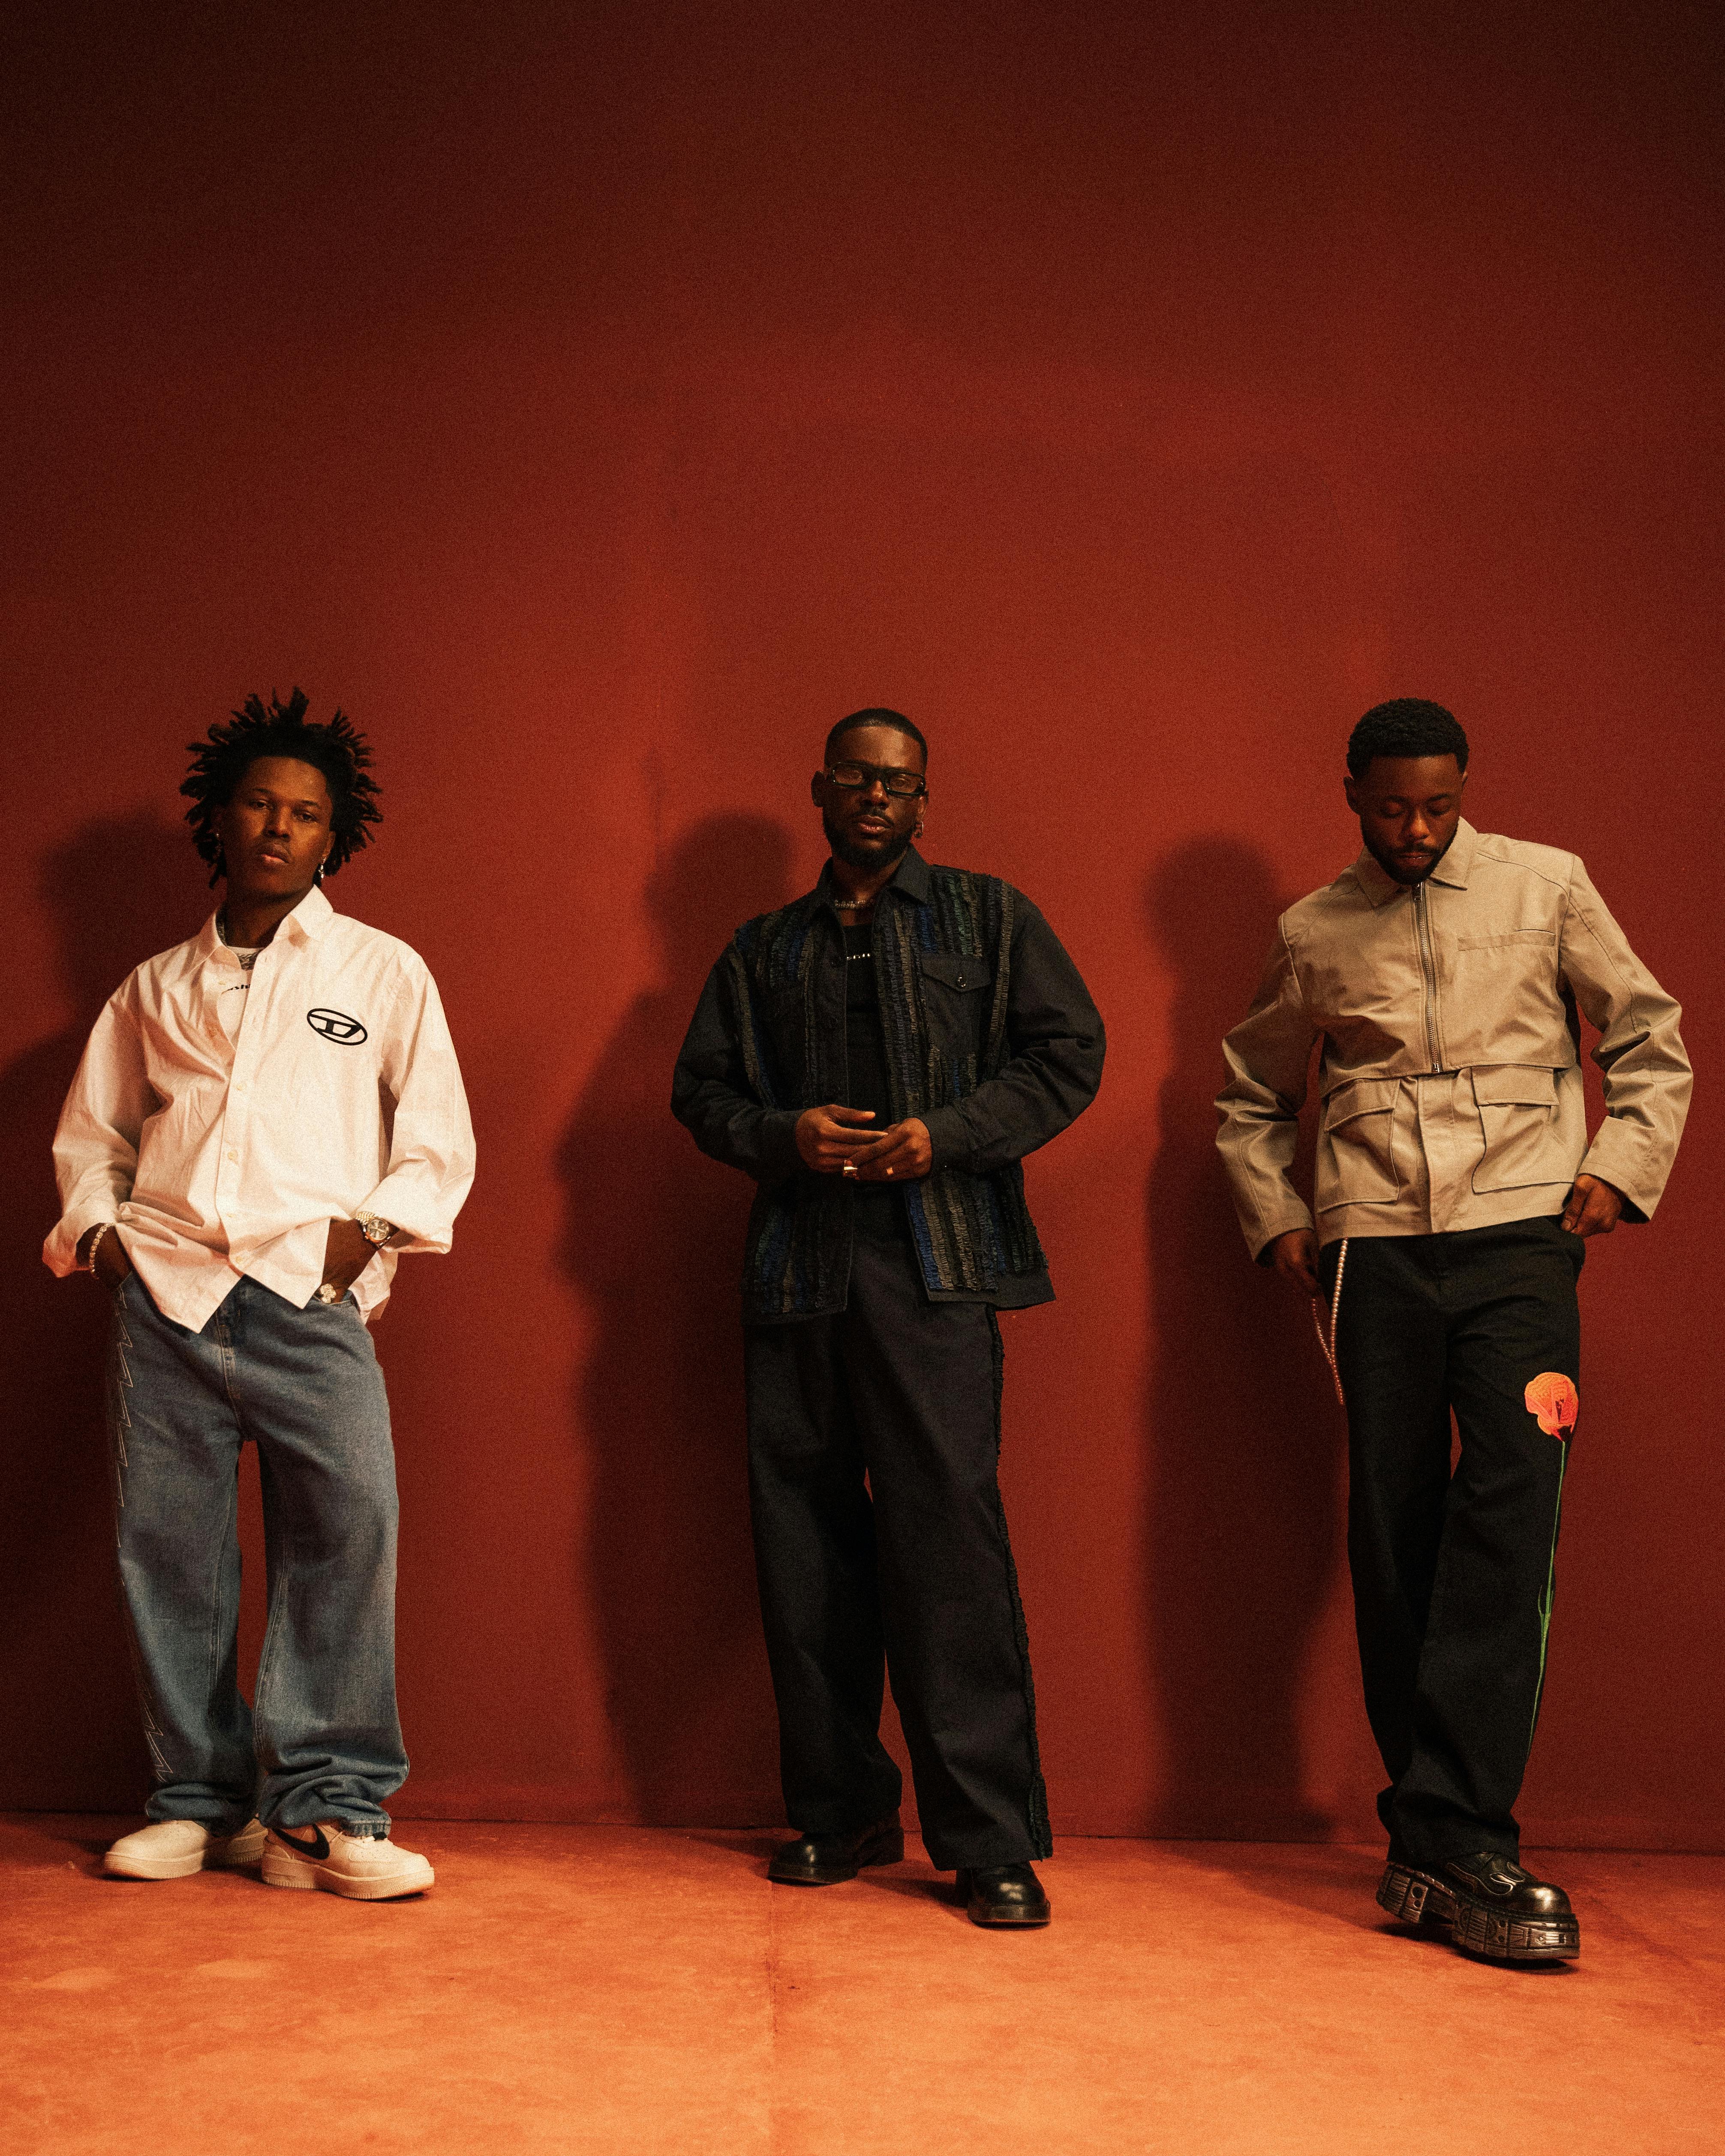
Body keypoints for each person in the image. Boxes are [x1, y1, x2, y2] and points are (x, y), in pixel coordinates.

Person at [1215, 698, 1689, 1963]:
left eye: (1436, 804)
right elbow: (1251, 1094)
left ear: (1465, 786)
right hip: (1373, 1256)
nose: (1415, 828)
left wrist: (1621, 1165)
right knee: (1392, 1521)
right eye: (1390, 807)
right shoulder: (1315, 930)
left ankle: (1462, 1821)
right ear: (1351, 794)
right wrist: (1283, 1222)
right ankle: (1434, 1842)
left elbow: (1652, 1035)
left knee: (1513, 1502)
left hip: (1524, 1242)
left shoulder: (1549, 889)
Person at [672, 709, 1104, 1927]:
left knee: (948, 1546)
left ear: (926, 801)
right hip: (798, 1268)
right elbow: (697, 1090)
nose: (878, 797)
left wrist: (949, 1138)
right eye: (858, 778)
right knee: (803, 1551)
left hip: (938, 1265)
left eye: (900, 783)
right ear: (820, 790)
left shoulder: (991, 918)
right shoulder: (762, 949)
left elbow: (1070, 1050)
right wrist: (782, 1137)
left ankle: (987, 1842)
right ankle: (837, 1814)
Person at [45, 690, 475, 1901]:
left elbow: (437, 1135)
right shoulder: (154, 988)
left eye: (306, 815)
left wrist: (370, 1235)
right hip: (168, 1300)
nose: (280, 829)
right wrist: (105, 1241)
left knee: (347, 1535)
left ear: (334, 838)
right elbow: (93, 1141)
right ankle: (200, 1805)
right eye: (259, 805)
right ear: (218, 820)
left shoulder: (379, 971)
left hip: (305, 1299)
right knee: (168, 1554)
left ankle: (330, 1812)